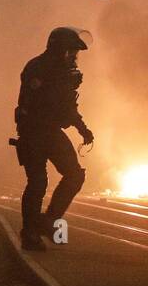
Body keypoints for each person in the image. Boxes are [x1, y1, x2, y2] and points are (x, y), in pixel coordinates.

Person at [12, 26, 93, 251]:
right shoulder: (39, 69)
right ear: (59, 50)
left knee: (73, 175)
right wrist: (80, 127)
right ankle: (31, 233)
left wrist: (83, 129)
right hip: (34, 132)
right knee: (38, 182)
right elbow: (57, 105)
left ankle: (45, 222)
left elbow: (68, 106)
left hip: (48, 131)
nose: (74, 57)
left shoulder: (60, 70)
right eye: (71, 52)